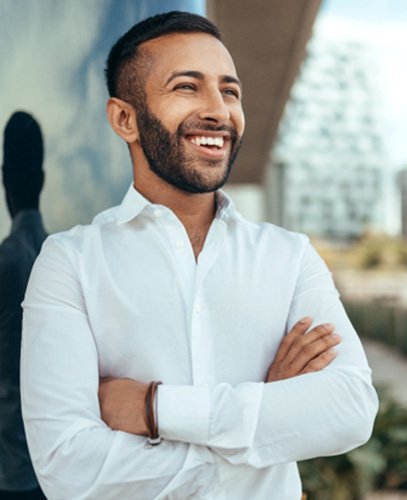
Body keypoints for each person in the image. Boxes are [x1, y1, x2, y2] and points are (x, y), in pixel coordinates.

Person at [21, 11, 378, 500]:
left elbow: (351, 409)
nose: (218, 110)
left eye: (229, 91)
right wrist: (266, 421)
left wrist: (155, 409)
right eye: (187, 87)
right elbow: (68, 469)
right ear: (125, 119)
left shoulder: (288, 257)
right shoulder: (69, 263)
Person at [0, 111, 47, 500]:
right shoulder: (62, 257)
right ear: (43, 181)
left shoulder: (5, 262)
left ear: (4, 182)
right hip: (58, 465)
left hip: (13, 471)